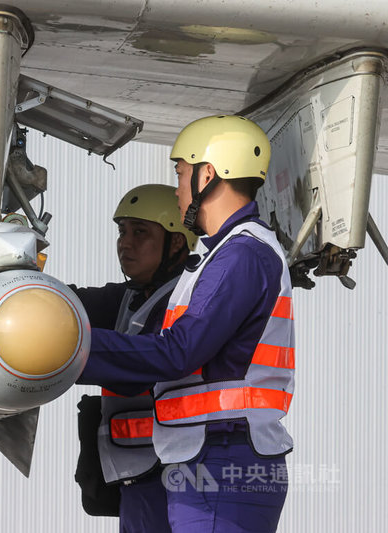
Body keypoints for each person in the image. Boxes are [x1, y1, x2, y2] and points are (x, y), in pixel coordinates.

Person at [79, 115, 295, 532]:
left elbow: (178, 352)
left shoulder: (242, 254)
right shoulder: (223, 255)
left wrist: (70, 348)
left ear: (207, 175)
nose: (177, 189)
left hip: (223, 459)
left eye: (180, 174)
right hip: (207, 456)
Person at [72, 184, 196, 533]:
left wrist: (67, 350)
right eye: (122, 231)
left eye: (140, 232)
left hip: (176, 474)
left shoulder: (184, 302)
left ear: (176, 242)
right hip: (138, 473)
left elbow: (139, 370)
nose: (125, 243)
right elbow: (65, 305)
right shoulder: (128, 297)